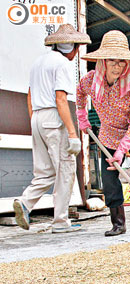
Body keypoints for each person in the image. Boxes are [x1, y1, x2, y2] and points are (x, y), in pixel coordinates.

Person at [76, 30, 130, 238]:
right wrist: (81, 114)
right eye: (112, 59)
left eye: (122, 60)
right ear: (102, 60)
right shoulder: (90, 81)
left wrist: (122, 150)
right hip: (109, 134)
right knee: (109, 178)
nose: (117, 65)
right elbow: (80, 92)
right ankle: (118, 223)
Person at [13, 24, 91, 233]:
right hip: (53, 117)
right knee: (65, 169)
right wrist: (73, 133)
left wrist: (35, 122)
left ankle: (25, 202)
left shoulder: (38, 62)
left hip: (37, 117)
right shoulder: (62, 64)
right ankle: (60, 222)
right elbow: (61, 99)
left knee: (45, 171)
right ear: (72, 47)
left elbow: (30, 95)